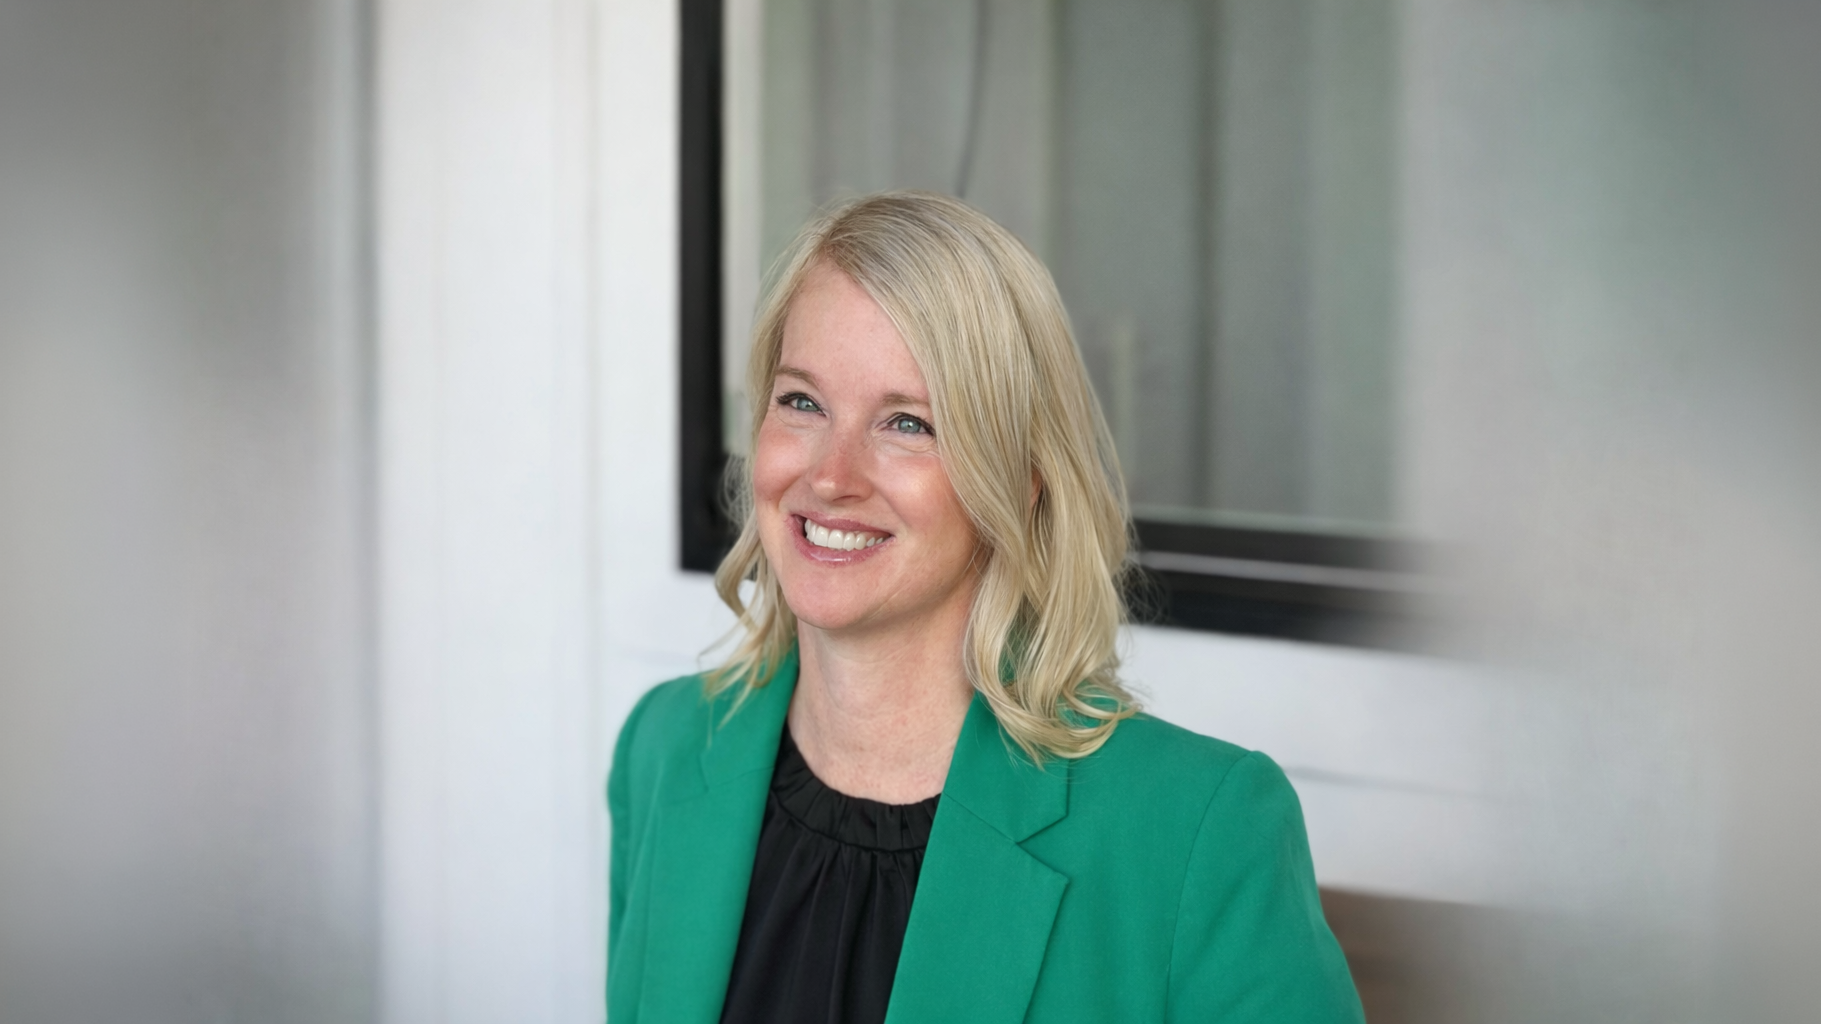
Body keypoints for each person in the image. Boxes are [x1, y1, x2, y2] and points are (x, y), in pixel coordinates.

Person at [607, 191, 1364, 1024]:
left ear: (1019, 476)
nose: (829, 476)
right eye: (801, 403)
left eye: (907, 423)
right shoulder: (663, 749)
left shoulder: (1200, 831)